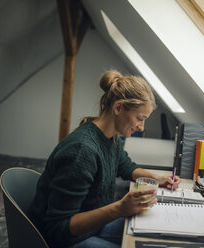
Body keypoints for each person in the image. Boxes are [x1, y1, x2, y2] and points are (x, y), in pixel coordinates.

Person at [28, 70, 181, 248]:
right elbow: (57, 227)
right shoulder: (82, 151)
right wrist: (119, 208)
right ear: (118, 107)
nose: (141, 127)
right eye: (140, 118)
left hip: (93, 228)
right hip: (62, 241)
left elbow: (125, 166)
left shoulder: (111, 136)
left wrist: (157, 179)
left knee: (154, 236)